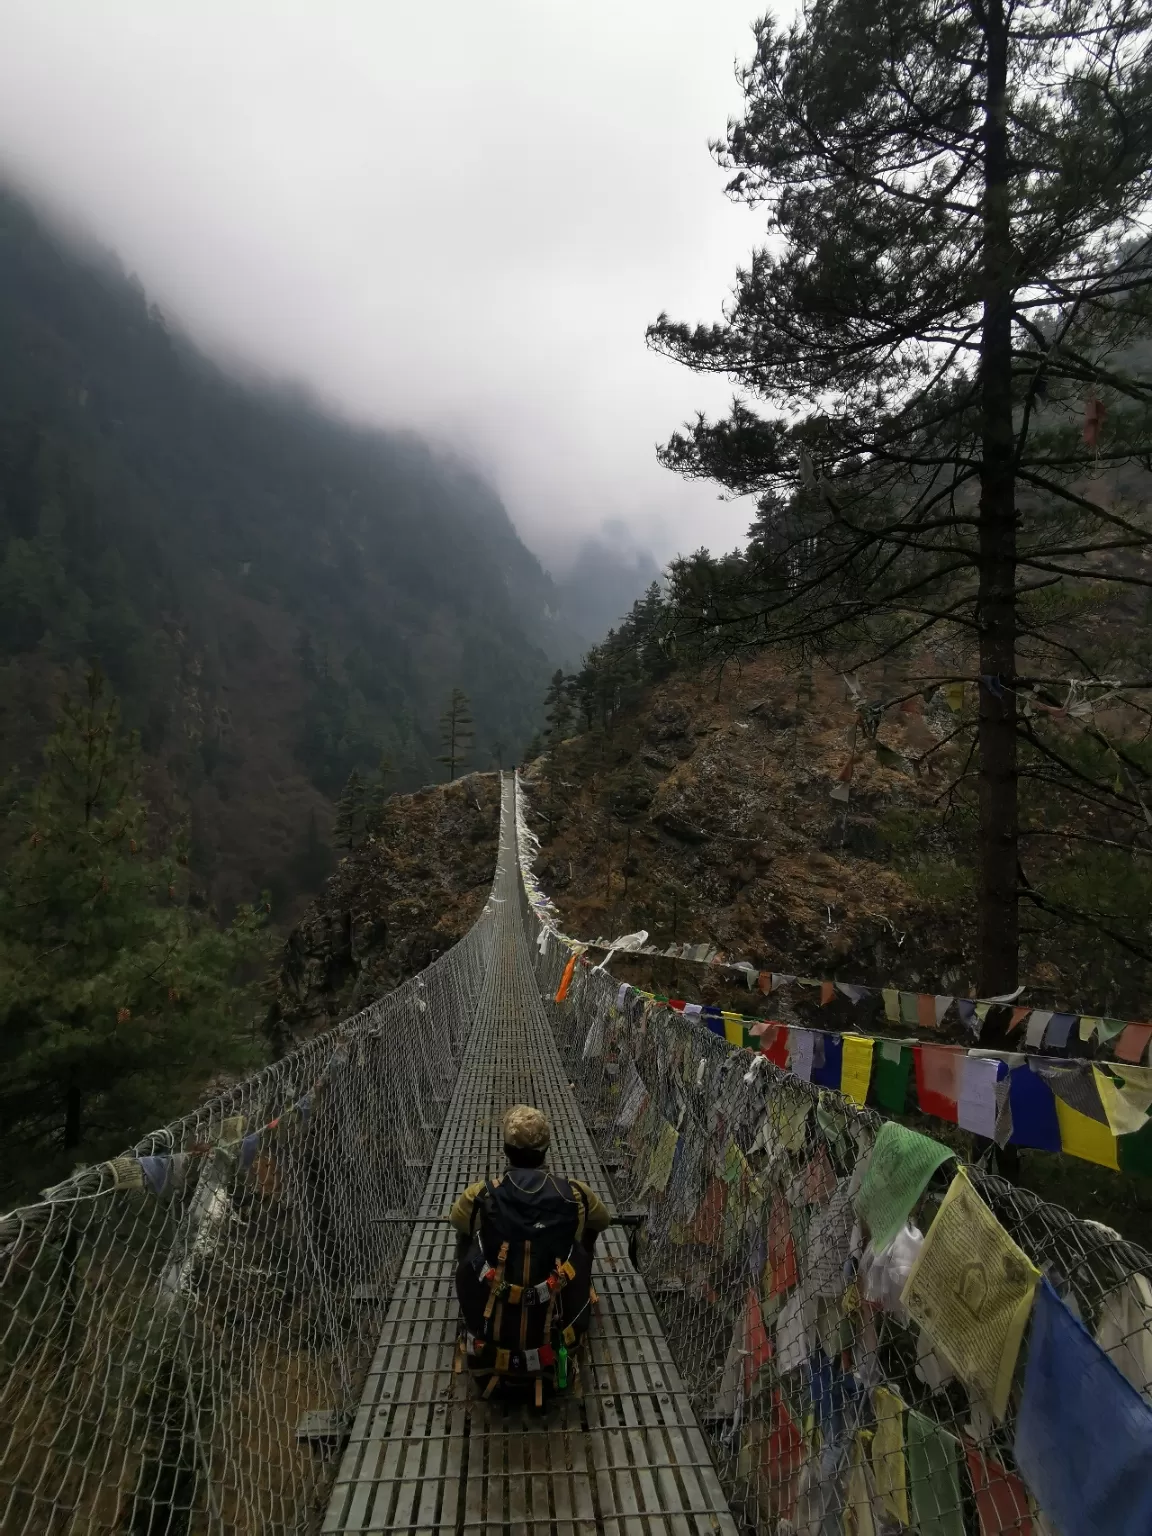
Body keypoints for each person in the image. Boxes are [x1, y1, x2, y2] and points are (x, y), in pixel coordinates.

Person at [450, 1104, 610, 1398]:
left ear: (505, 1150)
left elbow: (457, 1221)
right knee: (582, 1234)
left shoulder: (480, 1194)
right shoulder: (574, 1194)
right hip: (554, 1337)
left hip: (492, 1341)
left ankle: (481, 1311)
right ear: (547, 1150)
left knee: (469, 1236)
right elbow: (603, 1220)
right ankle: (571, 1297)